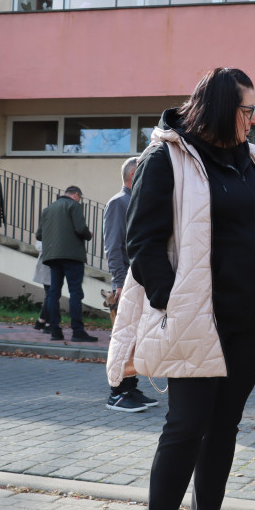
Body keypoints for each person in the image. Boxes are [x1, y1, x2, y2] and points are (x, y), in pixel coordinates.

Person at [117, 67, 255, 510]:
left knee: (225, 425)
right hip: (197, 322)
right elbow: (144, 243)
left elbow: (254, 228)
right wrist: (173, 306)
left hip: (248, 322)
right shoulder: (170, 157)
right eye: (248, 110)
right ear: (224, 108)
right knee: (185, 426)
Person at [102, 157, 158, 412]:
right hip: (126, 284)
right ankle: (118, 393)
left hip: (139, 284)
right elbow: (113, 247)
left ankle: (130, 386)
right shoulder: (119, 203)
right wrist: (119, 282)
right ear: (134, 176)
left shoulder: (135, 203)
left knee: (135, 339)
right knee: (124, 338)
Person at [35, 185, 98, 343]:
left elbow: (39, 235)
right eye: (80, 198)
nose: (79, 201)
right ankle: (78, 331)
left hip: (52, 257)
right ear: (76, 195)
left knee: (54, 292)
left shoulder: (48, 209)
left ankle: (55, 330)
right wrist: (88, 234)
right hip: (72, 256)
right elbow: (80, 229)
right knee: (75, 292)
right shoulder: (74, 205)